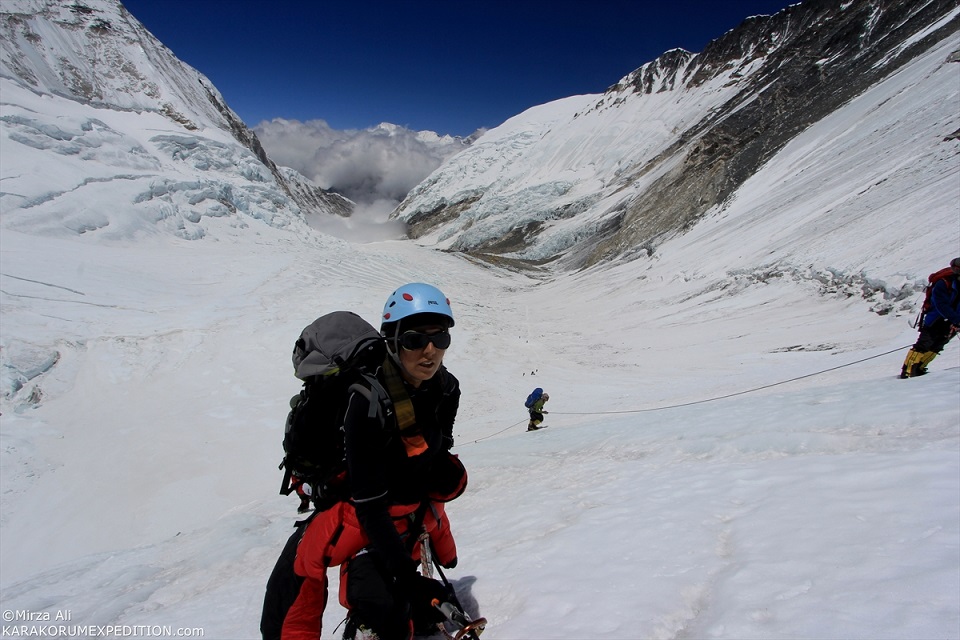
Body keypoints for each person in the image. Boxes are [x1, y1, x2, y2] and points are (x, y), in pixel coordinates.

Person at [276, 283, 468, 640]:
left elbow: (437, 451)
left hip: (406, 505)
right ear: (391, 340)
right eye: (414, 340)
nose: (430, 351)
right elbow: (369, 507)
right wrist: (409, 581)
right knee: (383, 610)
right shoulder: (367, 401)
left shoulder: (446, 388)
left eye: (440, 338)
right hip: (363, 512)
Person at [900, 257, 960, 378]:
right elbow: (940, 304)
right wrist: (956, 320)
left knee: (938, 344)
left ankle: (919, 368)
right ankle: (908, 371)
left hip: (953, 319)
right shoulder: (943, 283)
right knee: (924, 344)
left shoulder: (952, 283)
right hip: (936, 319)